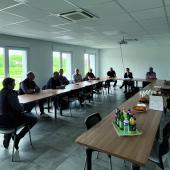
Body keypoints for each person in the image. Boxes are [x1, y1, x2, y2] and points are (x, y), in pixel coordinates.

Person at [0, 78, 37, 150]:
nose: (15, 84)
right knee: (33, 119)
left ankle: (6, 140)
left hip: (1, 121)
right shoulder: (11, 93)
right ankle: (18, 137)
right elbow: (19, 108)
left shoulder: (1, 92)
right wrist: (22, 107)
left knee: (11, 116)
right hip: (10, 120)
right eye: (13, 83)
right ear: (9, 85)